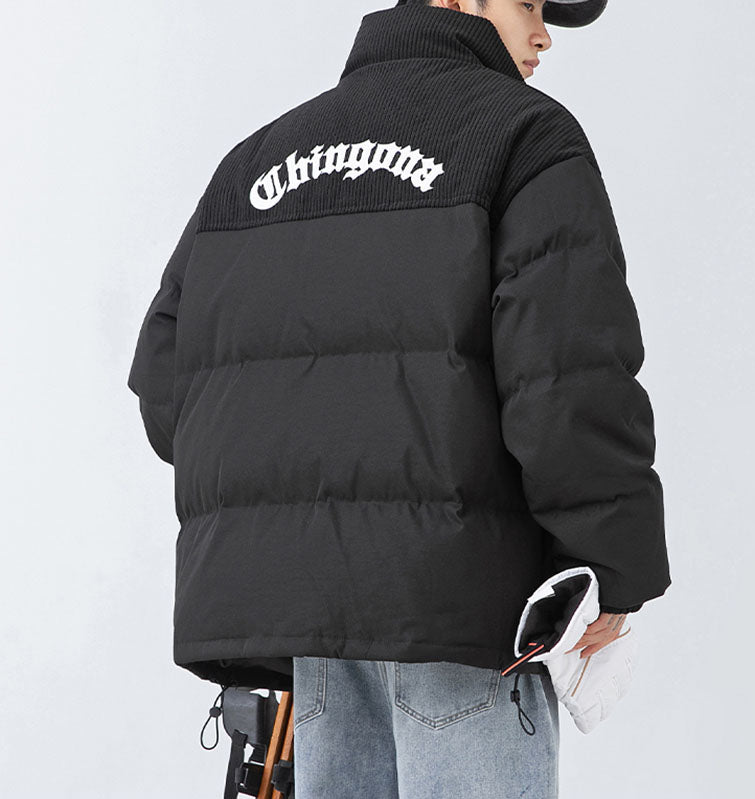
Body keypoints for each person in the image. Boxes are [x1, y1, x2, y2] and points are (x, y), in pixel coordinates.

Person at [126, 0, 671, 795]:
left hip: (316, 634)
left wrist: (302, 472)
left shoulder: (254, 163)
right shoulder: (523, 138)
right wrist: (615, 569)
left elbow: (167, 388)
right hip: (466, 615)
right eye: (526, 3)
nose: (544, 34)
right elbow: (566, 381)